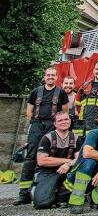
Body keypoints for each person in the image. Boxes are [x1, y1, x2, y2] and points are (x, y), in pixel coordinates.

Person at [15, 66, 69, 205]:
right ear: (44, 77)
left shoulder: (61, 93)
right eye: (48, 75)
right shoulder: (35, 92)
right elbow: (29, 112)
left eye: (53, 75)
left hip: (53, 127)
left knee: (52, 156)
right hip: (37, 125)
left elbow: (64, 113)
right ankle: (23, 194)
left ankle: (48, 190)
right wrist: (34, 126)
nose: (50, 77)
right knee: (31, 158)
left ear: (57, 77)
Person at [33, 111, 78, 209]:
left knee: (81, 168)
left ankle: (62, 197)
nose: (64, 122)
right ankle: (41, 191)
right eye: (60, 120)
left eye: (66, 119)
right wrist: (66, 161)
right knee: (42, 204)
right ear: (55, 124)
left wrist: (68, 165)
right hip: (48, 172)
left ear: (70, 121)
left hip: (66, 171)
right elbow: (41, 161)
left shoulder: (75, 138)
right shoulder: (47, 138)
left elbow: (79, 159)